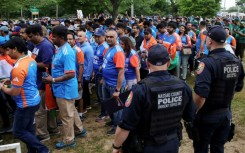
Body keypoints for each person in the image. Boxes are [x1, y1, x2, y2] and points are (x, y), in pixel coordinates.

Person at [112, 44, 196, 153]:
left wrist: (116, 147)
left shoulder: (140, 90)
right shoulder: (183, 86)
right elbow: (190, 116)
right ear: (169, 62)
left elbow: (126, 125)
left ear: (147, 63)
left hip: (147, 146)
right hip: (172, 143)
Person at [193, 25, 244, 153]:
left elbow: (201, 95)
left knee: (201, 148)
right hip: (226, 114)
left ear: (210, 41)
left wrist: (193, 113)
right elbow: (239, 87)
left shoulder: (207, 63)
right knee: (218, 147)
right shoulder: (236, 61)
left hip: (207, 115)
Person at [0, 37, 49, 153]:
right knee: (29, 129)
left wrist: (2, 87)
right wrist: (11, 80)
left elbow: (14, 92)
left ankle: (43, 149)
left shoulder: (18, 67)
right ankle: (32, 151)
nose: (6, 53)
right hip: (34, 98)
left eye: (8, 50)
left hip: (25, 103)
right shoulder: (30, 59)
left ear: (15, 49)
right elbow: (25, 78)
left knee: (18, 131)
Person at [42, 25, 87, 149]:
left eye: (54, 36)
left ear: (61, 37)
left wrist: (53, 79)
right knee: (71, 110)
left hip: (65, 88)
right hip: (61, 88)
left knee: (66, 115)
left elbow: (71, 73)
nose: (51, 38)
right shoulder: (59, 49)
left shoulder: (67, 52)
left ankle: (69, 140)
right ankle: (79, 130)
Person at [25, 24, 59, 142]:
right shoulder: (37, 45)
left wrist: (30, 64)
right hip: (39, 80)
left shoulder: (45, 46)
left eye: (30, 36)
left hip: (43, 82)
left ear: (38, 34)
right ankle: (52, 128)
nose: (28, 39)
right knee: (47, 107)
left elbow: (47, 64)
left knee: (40, 110)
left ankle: (43, 134)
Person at [102, 29, 126, 135]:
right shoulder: (108, 49)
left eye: (112, 37)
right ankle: (113, 121)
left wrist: (117, 89)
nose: (109, 38)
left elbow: (121, 72)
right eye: (107, 36)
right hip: (106, 82)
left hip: (114, 85)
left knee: (117, 108)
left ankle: (117, 126)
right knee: (109, 105)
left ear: (116, 38)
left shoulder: (118, 51)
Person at [67, 32, 85, 120]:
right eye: (67, 39)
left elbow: (81, 66)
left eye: (70, 39)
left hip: (76, 78)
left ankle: (81, 113)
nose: (68, 41)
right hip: (68, 78)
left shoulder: (78, 50)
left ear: (74, 40)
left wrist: (79, 80)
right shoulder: (64, 50)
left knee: (79, 97)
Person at [93, 28, 109, 122]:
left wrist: (103, 77)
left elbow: (105, 63)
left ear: (103, 37)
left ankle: (105, 113)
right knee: (100, 95)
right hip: (97, 74)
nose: (96, 38)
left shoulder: (105, 47)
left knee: (103, 96)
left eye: (98, 36)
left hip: (102, 75)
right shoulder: (98, 46)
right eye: (95, 36)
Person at [77, 31, 94, 112]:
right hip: (82, 73)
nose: (78, 37)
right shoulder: (80, 46)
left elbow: (91, 62)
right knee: (84, 91)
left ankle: (85, 107)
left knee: (84, 92)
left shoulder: (88, 48)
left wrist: (88, 75)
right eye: (77, 36)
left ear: (85, 38)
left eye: (80, 36)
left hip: (85, 73)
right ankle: (86, 105)